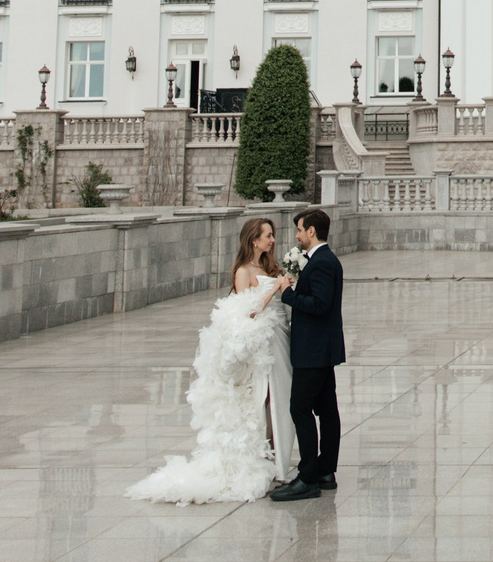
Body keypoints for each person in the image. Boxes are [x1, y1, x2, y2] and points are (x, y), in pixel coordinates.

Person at [124, 217, 297, 503]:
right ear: (254, 239)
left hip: (279, 338)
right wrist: (273, 290)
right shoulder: (243, 271)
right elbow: (246, 311)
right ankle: (267, 462)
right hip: (261, 343)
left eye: (272, 235)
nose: (272, 240)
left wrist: (284, 283)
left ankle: (279, 458)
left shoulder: (269, 267)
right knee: (264, 400)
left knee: (280, 398)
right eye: (268, 235)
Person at [268, 208, 343, 501]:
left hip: (313, 350)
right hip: (321, 348)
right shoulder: (321, 260)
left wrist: (289, 294)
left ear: (312, 231)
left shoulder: (323, 262)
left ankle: (308, 476)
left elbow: (320, 304)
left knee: (300, 408)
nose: (297, 235)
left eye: (300, 230)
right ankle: (325, 471)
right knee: (326, 410)